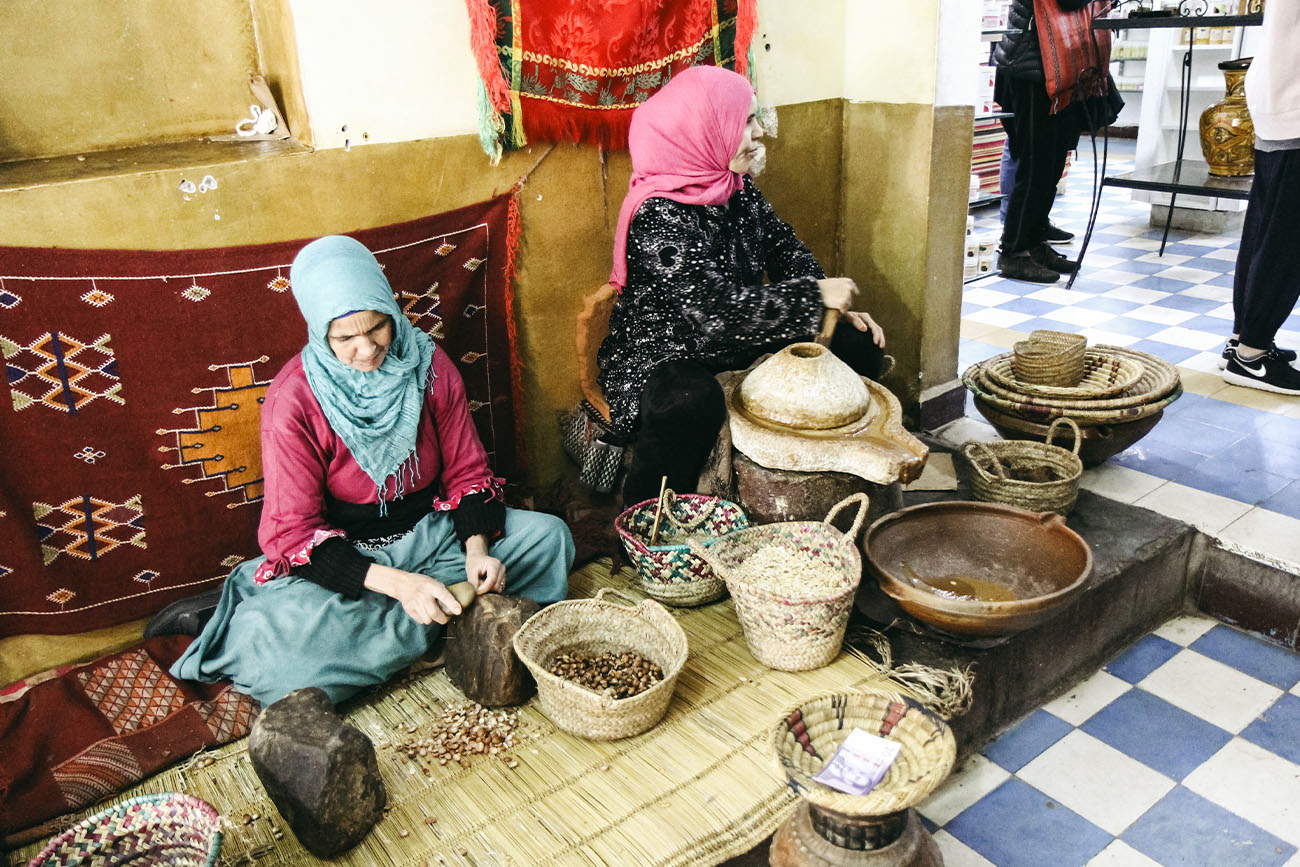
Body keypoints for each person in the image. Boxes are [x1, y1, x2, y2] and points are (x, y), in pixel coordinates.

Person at [156, 235, 574, 706]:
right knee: (280, 663)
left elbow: (466, 471)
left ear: (391, 314)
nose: (366, 350)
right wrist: (400, 585)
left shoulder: (429, 367)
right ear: (319, 332)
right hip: (353, 557)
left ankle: (427, 618)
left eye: (377, 328)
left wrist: (476, 551)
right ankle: (450, 619)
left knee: (548, 540)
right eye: (344, 338)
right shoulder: (293, 399)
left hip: (433, 534)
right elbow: (294, 533)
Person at [597, 65, 887, 507]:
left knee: (858, 344)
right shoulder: (658, 214)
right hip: (670, 352)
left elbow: (783, 248)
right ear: (705, 131)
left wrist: (831, 305)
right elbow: (713, 315)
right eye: (745, 122)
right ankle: (647, 518)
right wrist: (813, 299)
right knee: (688, 401)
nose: (758, 133)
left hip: (740, 334)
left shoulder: (735, 187)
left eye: (754, 119)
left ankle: (827, 487)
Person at [993, 0, 1120, 284]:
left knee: (1051, 164)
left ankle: (1035, 242)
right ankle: (1013, 250)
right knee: (1036, 163)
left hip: (1057, 67)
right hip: (1031, 65)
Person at [1220, 1, 1300, 395]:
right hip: (1294, 96)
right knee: (1287, 240)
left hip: (1278, 90)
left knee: (1264, 229)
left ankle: (1244, 339)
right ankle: (1250, 356)